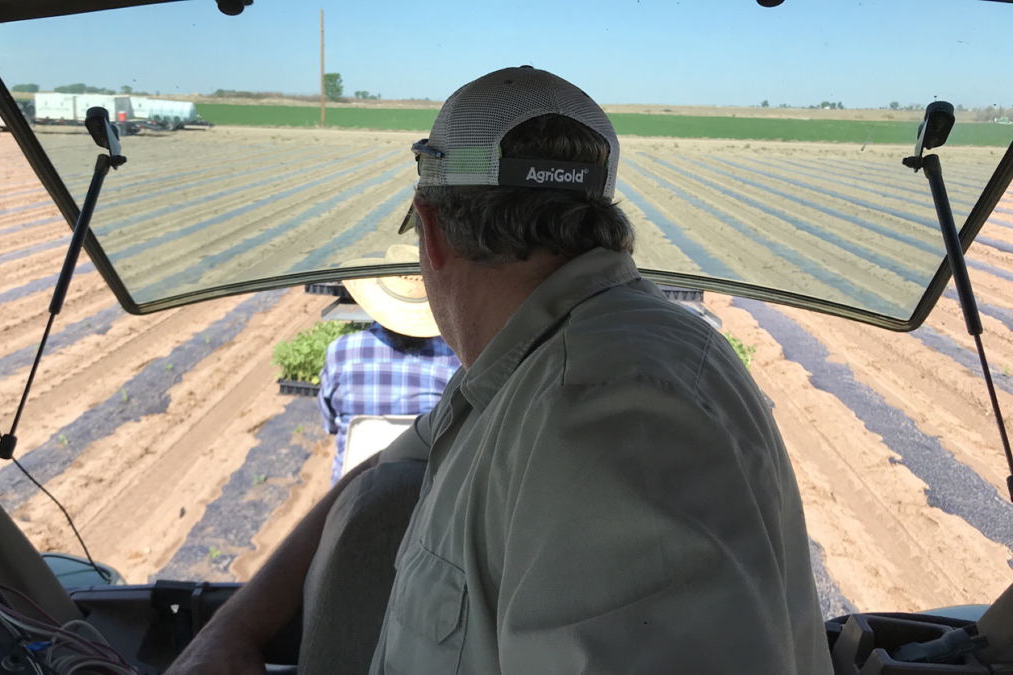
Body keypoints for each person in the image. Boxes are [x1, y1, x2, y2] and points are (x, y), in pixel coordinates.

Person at [169, 66, 832, 674]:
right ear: (602, 223)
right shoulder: (530, 368)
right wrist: (234, 630)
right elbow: (382, 470)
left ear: (431, 233)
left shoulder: (602, 413)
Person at [319, 245, 461, 484]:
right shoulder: (456, 361)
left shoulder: (341, 352)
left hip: (351, 492)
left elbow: (331, 422)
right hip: (428, 493)